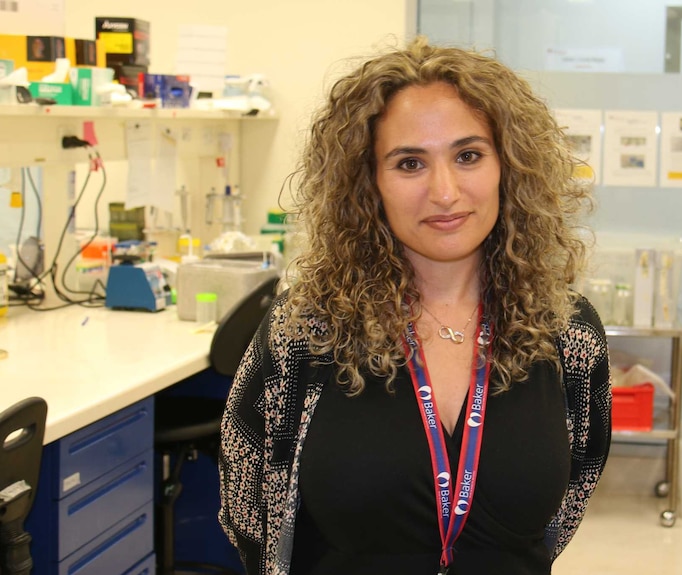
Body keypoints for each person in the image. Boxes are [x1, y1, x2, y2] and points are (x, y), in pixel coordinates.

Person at [218, 36, 612, 575]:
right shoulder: (306, 328)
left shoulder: (569, 330)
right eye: (409, 163)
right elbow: (248, 506)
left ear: (508, 167)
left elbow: (575, 489)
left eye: (468, 155)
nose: (445, 191)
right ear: (368, 183)